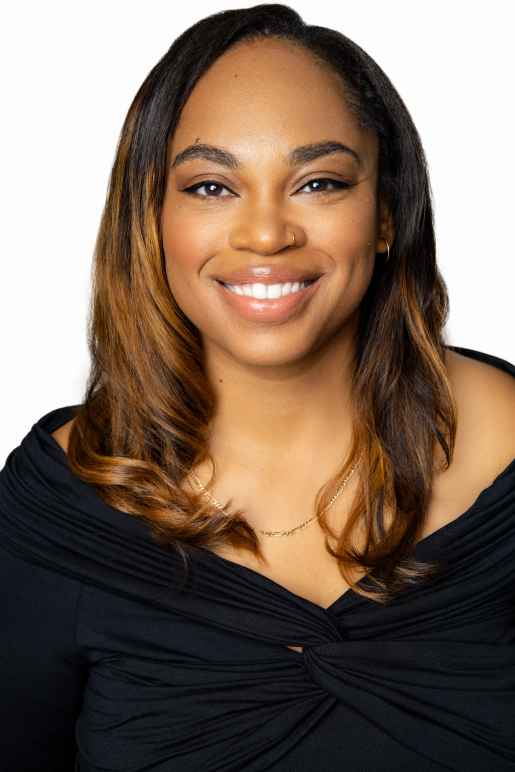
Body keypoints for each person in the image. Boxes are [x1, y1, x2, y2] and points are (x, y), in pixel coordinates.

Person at [1, 4, 514, 770]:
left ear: (384, 214)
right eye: (211, 187)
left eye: (319, 181)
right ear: (152, 217)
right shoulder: (60, 514)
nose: (266, 233)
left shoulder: (505, 449)